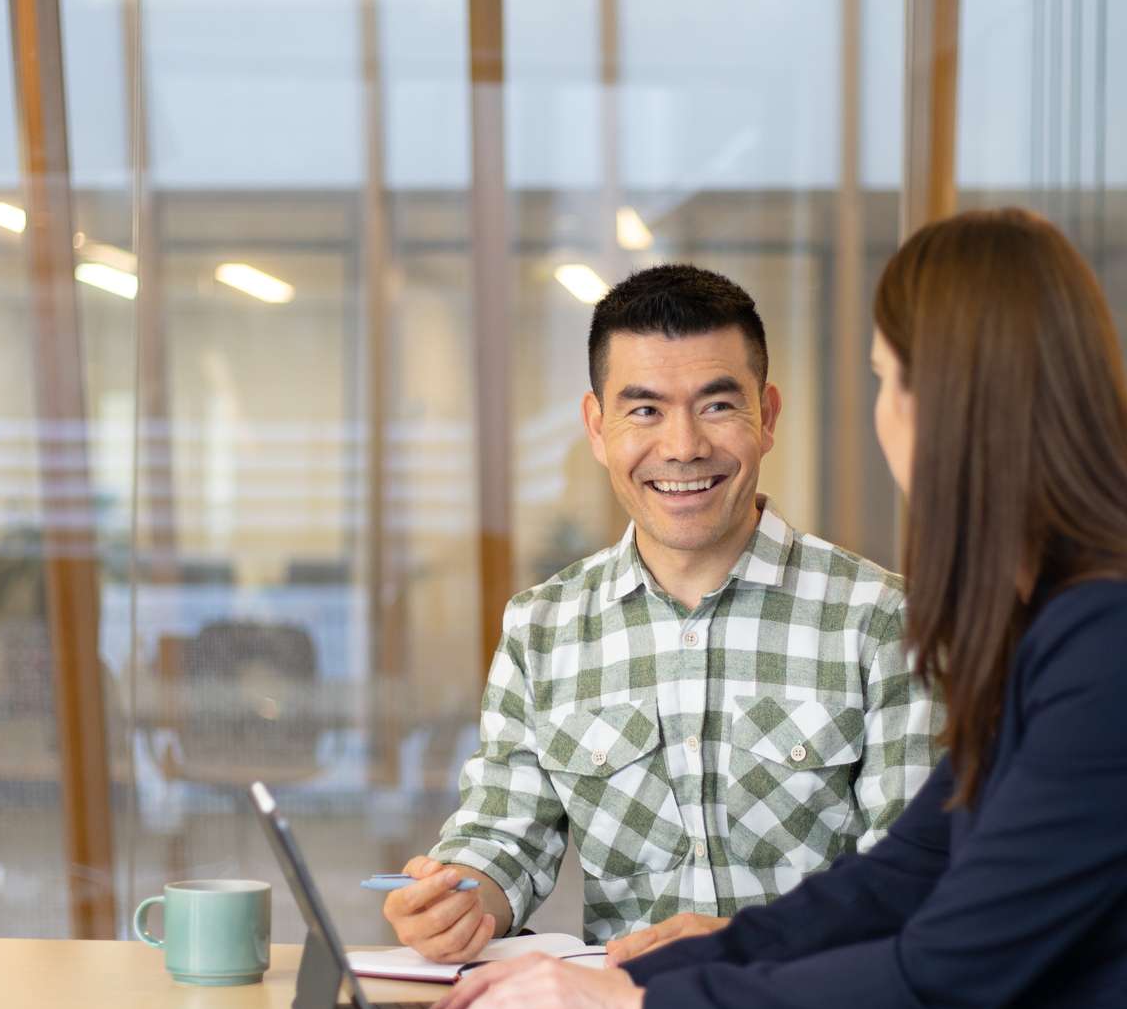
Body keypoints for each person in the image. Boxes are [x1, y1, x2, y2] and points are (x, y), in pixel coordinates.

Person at [430, 209, 1127, 1009]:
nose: (881, 412)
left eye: (887, 381)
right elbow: (902, 876)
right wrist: (640, 985)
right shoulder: (1064, 619)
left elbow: (942, 972)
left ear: (959, 402)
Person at [383, 264, 937, 962]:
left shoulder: (884, 621)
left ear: (766, 417)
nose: (682, 446)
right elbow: (503, 838)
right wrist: (458, 897)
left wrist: (749, 946)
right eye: (644, 410)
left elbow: (917, 881)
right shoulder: (542, 629)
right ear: (596, 426)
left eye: (716, 405)